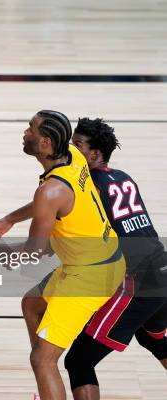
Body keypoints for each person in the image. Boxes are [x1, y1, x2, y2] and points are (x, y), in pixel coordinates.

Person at [0, 110, 125, 400]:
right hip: (100, 258)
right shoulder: (71, 154)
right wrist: (9, 220)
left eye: (30, 129)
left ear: (44, 144)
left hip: (91, 276)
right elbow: (51, 201)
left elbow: (34, 252)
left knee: (42, 359)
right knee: (32, 304)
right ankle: (48, 386)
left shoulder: (51, 191)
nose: (24, 132)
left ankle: (46, 370)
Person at [62, 118, 167, 400]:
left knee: (79, 361)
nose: (72, 149)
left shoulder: (88, 186)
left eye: (78, 145)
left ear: (94, 154)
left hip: (139, 282)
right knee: (152, 338)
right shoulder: (122, 176)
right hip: (162, 268)